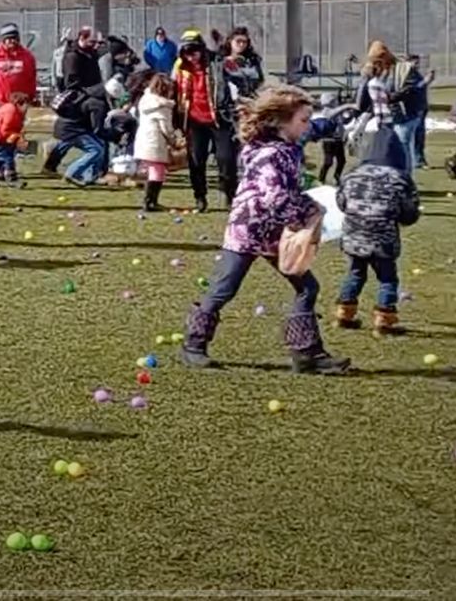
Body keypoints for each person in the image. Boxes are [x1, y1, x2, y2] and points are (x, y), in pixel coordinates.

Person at [180, 84, 350, 375]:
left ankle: (307, 353)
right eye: (303, 120)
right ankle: (193, 345)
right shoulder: (269, 154)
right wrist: (304, 213)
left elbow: (290, 187)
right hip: (248, 232)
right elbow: (275, 198)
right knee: (223, 289)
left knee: (308, 287)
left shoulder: (287, 149)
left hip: (274, 234)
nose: (307, 127)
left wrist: (312, 201)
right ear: (282, 121)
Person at [333, 127, 418, 336]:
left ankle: (344, 314)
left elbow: (341, 203)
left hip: (353, 237)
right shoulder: (400, 178)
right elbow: (409, 213)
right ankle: (384, 320)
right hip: (384, 240)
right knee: (388, 279)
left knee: (355, 274)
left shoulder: (351, 175)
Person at [174, 29, 234, 214]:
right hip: (193, 121)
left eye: (194, 51)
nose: (191, 56)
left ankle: (230, 195)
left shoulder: (216, 63)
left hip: (219, 119)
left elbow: (234, 72)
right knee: (196, 161)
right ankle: (200, 197)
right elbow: (175, 93)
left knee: (226, 159)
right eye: (186, 52)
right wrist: (176, 122)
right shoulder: (181, 68)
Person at [46, 27, 110, 187]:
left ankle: (87, 174)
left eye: (97, 43)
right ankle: (76, 172)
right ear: (82, 38)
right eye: (92, 42)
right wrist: (95, 91)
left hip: (89, 98)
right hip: (79, 101)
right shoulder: (72, 57)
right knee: (89, 140)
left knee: (72, 137)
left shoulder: (91, 54)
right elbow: (72, 84)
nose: (95, 45)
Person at [133, 73, 179, 213]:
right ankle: (150, 202)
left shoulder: (145, 100)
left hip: (143, 138)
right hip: (155, 140)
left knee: (153, 169)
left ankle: (150, 201)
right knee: (157, 171)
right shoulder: (162, 106)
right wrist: (173, 140)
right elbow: (165, 127)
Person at [0, 23, 39, 119]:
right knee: (1, 130)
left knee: (17, 131)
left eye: (14, 38)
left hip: (20, 103)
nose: (12, 41)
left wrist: (30, 96)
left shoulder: (27, 57)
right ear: (3, 40)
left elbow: (32, 78)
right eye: (8, 38)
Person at [0, 90, 30, 187]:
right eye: (26, 104)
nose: (28, 107)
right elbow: (5, 129)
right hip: (0, 139)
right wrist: (18, 137)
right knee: (7, 159)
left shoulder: (11, 109)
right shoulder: (12, 112)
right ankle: (12, 179)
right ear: (19, 103)